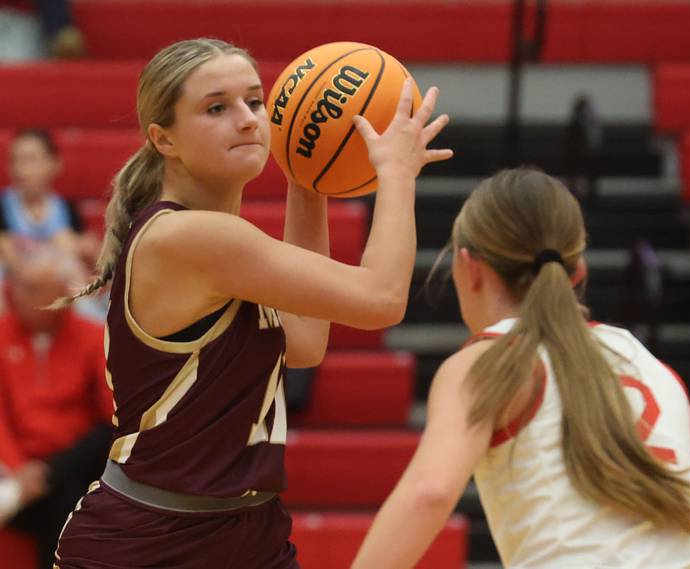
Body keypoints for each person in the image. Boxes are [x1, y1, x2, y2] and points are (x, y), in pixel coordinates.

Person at [52, 37, 451, 569]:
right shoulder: (192, 238)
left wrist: (307, 180)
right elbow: (380, 299)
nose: (246, 119)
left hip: (249, 535)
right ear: (162, 138)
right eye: (216, 107)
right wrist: (397, 176)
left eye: (255, 102)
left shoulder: (223, 242)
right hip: (148, 542)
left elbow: (305, 343)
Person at [351, 168, 690, 569]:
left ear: (469, 268)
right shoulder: (645, 361)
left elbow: (430, 493)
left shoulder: (487, 360)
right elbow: (653, 538)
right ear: (578, 272)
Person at [0, 246, 112, 569]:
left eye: (32, 289)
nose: (16, 294)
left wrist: (44, 475)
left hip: (71, 466)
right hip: (17, 467)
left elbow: (111, 418)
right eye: (18, 285)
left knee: (68, 498)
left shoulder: (92, 338)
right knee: (62, 504)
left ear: (61, 297)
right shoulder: (3, 333)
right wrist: (19, 471)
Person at [1, 129, 98, 272]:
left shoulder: (66, 208)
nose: (21, 170)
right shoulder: (3, 207)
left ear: (54, 163)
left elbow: (89, 254)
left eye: (30, 160)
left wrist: (85, 248)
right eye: (15, 160)